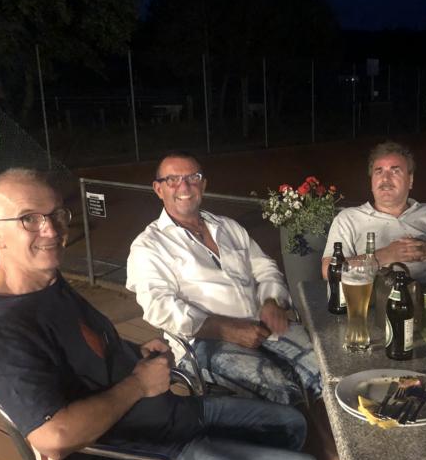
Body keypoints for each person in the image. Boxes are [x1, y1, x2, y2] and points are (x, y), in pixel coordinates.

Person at [0, 168, 322, 460]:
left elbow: (89, 352)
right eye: (29, 219)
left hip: (165, 416)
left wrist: (137, 354)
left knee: (291, 424)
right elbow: (54, 436)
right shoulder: (1, 331)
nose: (51, 230)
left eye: (56, 215)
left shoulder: (47, 285)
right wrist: (138, 385)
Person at [126, 152, 322, 406]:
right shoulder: (149, 245)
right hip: (204, 341)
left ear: (203, 184)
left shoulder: (228, 227)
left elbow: (265, 268)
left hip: (263, 326)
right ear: (158, 189)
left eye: (193, 177)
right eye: (172, 179)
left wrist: (271, 301)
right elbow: (159, 307)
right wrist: (226, 329)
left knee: (326, 371)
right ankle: (300, 429)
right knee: (281, 393)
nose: (184, 186)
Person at [321, 140, 426, 281]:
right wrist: (384, 255)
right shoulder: (348, 218)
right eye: (378, 172)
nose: (385, 179)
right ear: (371, 182)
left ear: (410, 181)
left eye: (395, 171)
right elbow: (328, 270)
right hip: (377, 295)